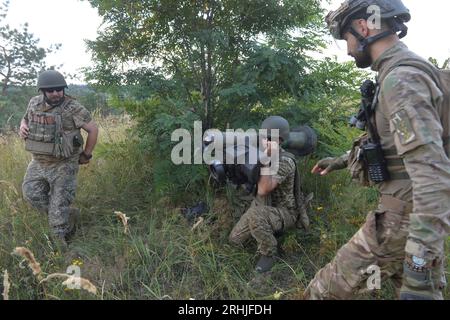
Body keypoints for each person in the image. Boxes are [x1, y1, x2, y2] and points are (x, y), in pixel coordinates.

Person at [304, 0, 449, 300]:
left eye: (346, 39)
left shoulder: (401, 80)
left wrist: (419, 271)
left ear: (362, 26)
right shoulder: (396, 75)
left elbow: (433, 178)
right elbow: (393, 146)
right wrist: (342, 161)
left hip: (403, 221)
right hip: (409, 218)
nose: (347, 49)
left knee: (320, 293)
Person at [19, 70, 99, 245]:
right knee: (30, 194)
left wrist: (87, 154)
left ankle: (62, 246)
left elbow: (93, 129)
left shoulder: (73, 108)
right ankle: (69, 214)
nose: (56, 93)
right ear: (43, 91)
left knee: (58, 207)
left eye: (59, 89)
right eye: (51, 90)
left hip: (64, 163)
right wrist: (22, 126)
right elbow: (25, 119)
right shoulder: (34, 102)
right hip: (39, 161)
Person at [229, 116, 310, 273]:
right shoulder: (258, 152)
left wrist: (265, 159)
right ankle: (265, 230)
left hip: (283, 211)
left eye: (269, 137)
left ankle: (270, 252)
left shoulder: (286, 161)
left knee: (257, 216)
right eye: (263, 136)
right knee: (234, 240)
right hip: (261, 205)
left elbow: (264, 189)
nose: (263, 140)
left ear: (279, 140)